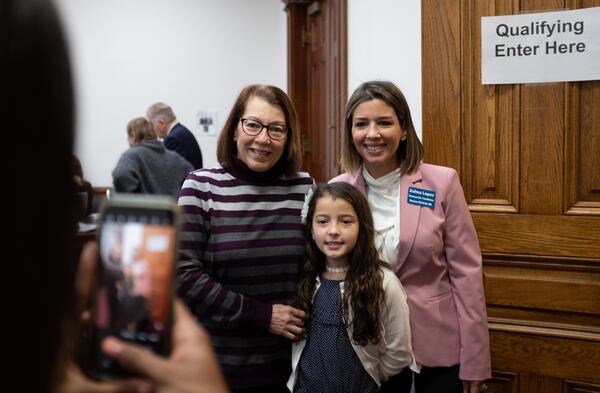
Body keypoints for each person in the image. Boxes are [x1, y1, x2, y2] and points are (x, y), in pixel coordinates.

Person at [3, 0, 228, 391]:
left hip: (137, 257)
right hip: (168, 254)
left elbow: (123, 196)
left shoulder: (130, 160)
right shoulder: (177, 158)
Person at [330, 80, 491, 393]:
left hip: (436, 348)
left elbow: (467, 275)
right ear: (351, 133)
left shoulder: (441, 183)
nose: (372, 134)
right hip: (365, 348)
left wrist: (476, 358)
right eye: (361, 124)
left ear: (403, 129)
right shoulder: (338, 189)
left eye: (385, 122)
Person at [176, 84, 314, 392]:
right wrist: (261, 315)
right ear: (235, 128)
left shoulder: (304, 187)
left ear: (288, 137)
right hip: (218, 369)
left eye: (277, 129)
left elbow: (316, 264)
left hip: (291, 369)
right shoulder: (201, 186)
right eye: (253, 124)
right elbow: (182, 274)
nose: (263, 139)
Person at [287, 182, 419, 392]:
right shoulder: (306, 278)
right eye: (322, 221)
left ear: (361, 227)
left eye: (346, 221)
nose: (333, 231)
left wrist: (370, 378)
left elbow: (398, 351)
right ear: (311, 229)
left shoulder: (383, 281)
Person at [112, 116, 193, 199]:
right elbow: (191, 176)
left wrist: (133, 200)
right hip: (172, 210)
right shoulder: (175, 158)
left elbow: (120, 175)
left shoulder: (131, 156)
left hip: (142, 211)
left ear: (133, 137)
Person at [147, 102, 203, 169]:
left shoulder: (174, 138)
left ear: (161, 122)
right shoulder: (180, 132)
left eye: (151, 124)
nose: (151, 128)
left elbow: (169, 171)